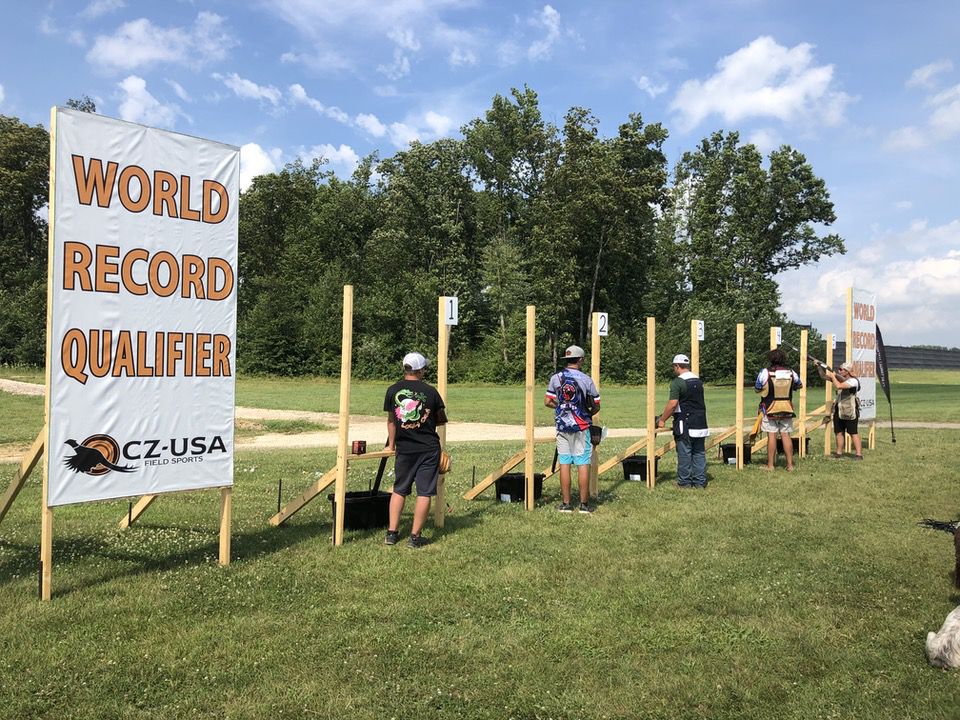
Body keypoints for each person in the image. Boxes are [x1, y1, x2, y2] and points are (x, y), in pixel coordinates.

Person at [383, 351, 447, 548]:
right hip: (428, 448)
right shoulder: (431, 391)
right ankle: (414, 537)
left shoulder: (393, 390)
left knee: (399, 489)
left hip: (404, 448)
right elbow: (441, 420)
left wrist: (391, 445)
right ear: (420, 370)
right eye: (424, 368)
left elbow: (392, 422)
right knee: (424, 493)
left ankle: (392, 534)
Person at [545, 345, 600, 513]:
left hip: (562, 426)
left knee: (565, 463)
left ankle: (566, 504)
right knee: (583, 464)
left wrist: (560, 406)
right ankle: (584, 505)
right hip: (581, 426)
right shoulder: (586, 379)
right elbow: (596, 405)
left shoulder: (556, 378)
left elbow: (548, 401)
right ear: (581, 360)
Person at [656, 354, 709, 488]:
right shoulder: (698, 381)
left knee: (685, 452)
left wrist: (662, 420)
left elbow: (673, 404)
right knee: (699, 452)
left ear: (677, 366)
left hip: (685, 423)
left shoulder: (678, 382)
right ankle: (700, 482)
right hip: (701, 422)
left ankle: (684, 482)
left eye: (674, 367)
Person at [754, 348, 803, 471]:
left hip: (770, 408)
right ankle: (790, 465)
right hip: (787, 408)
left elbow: (757, 388)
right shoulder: (791, 372)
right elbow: (799, 385)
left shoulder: (765, 372)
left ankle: (770, 465)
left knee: (771, 436)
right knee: (786, 435)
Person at [816, 360, 863, 459]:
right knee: (839, 432)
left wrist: (833, 376)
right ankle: (839, 453)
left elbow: (839, 385)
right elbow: (823, 376)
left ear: (847, 371)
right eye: (839, 369)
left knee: (853, 432)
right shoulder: (841, 379)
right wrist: (818, 366)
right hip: (839, 410)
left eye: (841, 369)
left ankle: (859, 454)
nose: (839, 371)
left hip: (851, 411)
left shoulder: (853, 381)